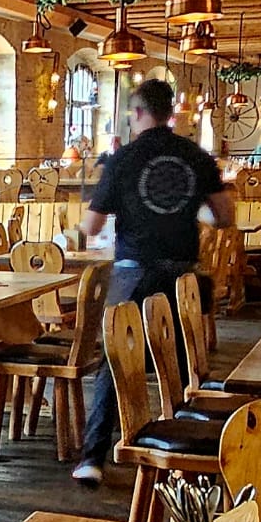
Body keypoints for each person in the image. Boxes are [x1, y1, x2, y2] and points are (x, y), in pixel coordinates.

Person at [75, 79, 236, 488]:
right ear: (171, 113)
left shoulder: (123, 159)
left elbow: (90, 227)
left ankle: (92, 458)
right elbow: (224, 217)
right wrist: (190, 212)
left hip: (134, 271)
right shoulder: (196, 156)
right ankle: (181, 455)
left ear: (138, 113)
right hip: (182, 273)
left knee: (115, 360)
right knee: (179, 364)